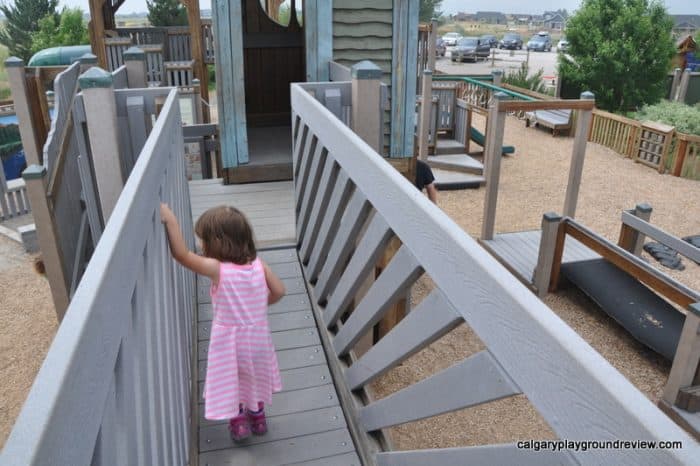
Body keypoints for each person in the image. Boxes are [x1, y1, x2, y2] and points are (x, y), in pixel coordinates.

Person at [160, 204, 285, 442]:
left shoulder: (218, 269)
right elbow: (279, 291)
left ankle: (238, 424)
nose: (202, 246)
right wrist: (257, 307)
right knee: (252, 376)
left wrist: (170, 220)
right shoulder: (259, 265)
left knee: (233, 380)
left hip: (230, 344)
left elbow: (181, 255)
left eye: (204, 240)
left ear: (217, 242)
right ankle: (258, 418)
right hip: (257, 339)